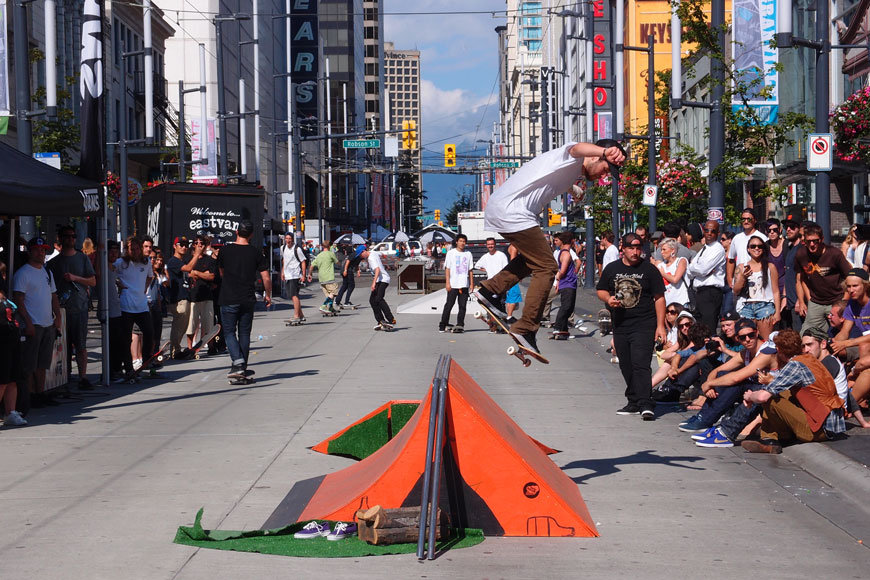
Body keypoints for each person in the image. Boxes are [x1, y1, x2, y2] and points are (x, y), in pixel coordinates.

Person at [475, 139, 626, 353]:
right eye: (605, 167)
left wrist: (573, 188)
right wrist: (605, 150)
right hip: (513, 213)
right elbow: (576, 149)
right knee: (547, 267)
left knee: (533, 259)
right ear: (595, 156)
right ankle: (525, 328)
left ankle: (490, 291)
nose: (602, 175)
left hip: (504, 209)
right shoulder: (574, 155)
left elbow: (549, 177)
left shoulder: (570, 171)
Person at [596, 232, 666, 420]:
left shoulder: (649, 270)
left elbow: (659, 298)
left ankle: (645, 402)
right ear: (623, 249)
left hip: (644, 322)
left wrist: (661, 326)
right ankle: (634, 401)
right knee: (625, 364)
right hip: (620, 323)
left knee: (640, 363)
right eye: (631, 248)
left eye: (638, 248)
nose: (635, 252)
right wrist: (608, 299)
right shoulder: (612, 268)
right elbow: (601, 290)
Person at [740, 329, 845, 454]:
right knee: (778, 391)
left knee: (770, 397)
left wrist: (750, 396)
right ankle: (775, 437)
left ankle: (769, 439)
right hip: (830, 425)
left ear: (778, 350)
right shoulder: (809, 360)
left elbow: (763, 397)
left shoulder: (795, 365)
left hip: (820, 429)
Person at [216, 220, 272, 379]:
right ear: (252, 235)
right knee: (245, 333)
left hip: (228, 297)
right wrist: (268, 295)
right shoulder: (255, 253)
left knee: (228, 332)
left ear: (236, 232)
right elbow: (266, 277)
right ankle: (242, 366)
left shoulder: (225, 251)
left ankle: (238, 363)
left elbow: (221, 272)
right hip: (247, 298)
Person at [13, 237, 63, 408]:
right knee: (29, 364)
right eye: (37, 250)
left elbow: (54, 296)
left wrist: (58, 317)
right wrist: (27, 323)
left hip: (47, 323)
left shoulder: (47, 272)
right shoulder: (23, 273)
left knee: (43, 363)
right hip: (33, 324)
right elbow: (18, 300)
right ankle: (28, 396)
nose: (41, 253)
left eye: (43, 250)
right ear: (30, 252)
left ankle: (40, 393)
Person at [47, 225, 96, 390]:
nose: (71, 239)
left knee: (81, 345)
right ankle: (64, 378)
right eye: (67, 236)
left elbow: (92, 281)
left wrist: (75, 278)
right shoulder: (53, 263)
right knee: (63, 347)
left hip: (79, 307)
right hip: (60, 310)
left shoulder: (82, 259)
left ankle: (83, 377)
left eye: (73, 236)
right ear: (60, 239)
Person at [794, 222, 851, 334]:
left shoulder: (835, 254)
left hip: (836, 300)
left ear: (822, 239)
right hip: (816, 302)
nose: (812, 244)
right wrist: (805, 300)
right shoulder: (801, 254)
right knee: (807, 335)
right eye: (808, 241)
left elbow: (849, 277)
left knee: (840, 334)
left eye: (815, 241)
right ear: (804, 241)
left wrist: (844, 301)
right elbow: (801, 279)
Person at [115, 236, 154, 380]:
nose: (136, 252)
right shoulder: (121, 263)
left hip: (141, 304)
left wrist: (145, 288)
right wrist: (118, 283)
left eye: (138, 249)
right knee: (126, 338)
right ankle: (128, 366)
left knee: (149, 332)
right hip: (126, 305)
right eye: (133, 249)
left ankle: (146, 359)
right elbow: (111, 273)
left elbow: (150, 276)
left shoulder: (146, 262)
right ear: (127, 249)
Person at [733, 233, 780, 340]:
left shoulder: (770, 267)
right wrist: (743, 277)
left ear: (763, 249)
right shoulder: (741, 267)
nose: (756, 248)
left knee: (766, 341)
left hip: (765, 306)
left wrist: (777, 312)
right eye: (753, 246)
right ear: (748, 249)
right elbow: (735, 290)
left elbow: (776, 291)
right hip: (746, 307)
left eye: (760, 246)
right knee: (748, 341)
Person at [686, 220, 726, 330]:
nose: (709, 233)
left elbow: (702, 269)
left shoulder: (717, 249)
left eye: (712, 231)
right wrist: (695, 269)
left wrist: (696, 268)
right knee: (699, 327)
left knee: (708, 328)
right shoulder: (705, 248)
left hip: (711, 292)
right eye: (706, 230)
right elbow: (690, 269)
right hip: (699, 292)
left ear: (718, 233)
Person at [185, 236, 218, 354]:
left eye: (202, 243)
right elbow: (188, 273)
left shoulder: (210, 260)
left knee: (208, 324)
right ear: (193, 245)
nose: (199, 245)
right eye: (196, 242)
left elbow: (211, 276)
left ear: (205, 245)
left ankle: (211, 346)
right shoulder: (188, 259)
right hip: (192, 296)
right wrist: (202, 274)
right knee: (191, 325)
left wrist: (196, 273)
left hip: (207, 296)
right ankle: (190, 348)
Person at [438, 234, 474, 332]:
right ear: (457, 242)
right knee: (449, 305)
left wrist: (471, 284)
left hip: (464, 284)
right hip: (453, 284)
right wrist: (447, 283)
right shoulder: (451, 253)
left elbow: (470, 270)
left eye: (464, 241)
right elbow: (447, 269)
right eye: (461, 241)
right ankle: (443, 324)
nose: (462, 243)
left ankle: (460, 324)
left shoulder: (468, 254)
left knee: (462, 306)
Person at [726, 208, 768, 290]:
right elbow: (730, 259)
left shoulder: (762, 238)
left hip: (757, 280)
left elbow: (767, 258)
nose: (746, 221)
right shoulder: (737, 238)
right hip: (739, 279)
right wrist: (730, 279)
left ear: (755, 220)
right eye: (743, 219)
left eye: (749, 219)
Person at [166, 237, 192, 358]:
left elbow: (186, 274)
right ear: (174, 246)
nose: (184, 247)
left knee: (182, 325)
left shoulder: (181, 261)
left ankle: (176, 349)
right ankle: (174, 350)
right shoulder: (173, 261)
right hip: (178, 299)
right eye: (181, 244)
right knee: (178, 325)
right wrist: (197, 254)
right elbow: (188, 268)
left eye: (186, 245)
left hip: (184, 296)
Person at [359, 245, 394, 330]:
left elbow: (377, 270)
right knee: (372, 300)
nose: (361, 257)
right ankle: (381, 321)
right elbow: (381, 254)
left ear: (364, 251)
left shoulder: (371, 258)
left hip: (383, 279)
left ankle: (391, 319)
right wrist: (385, 261)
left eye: (361, 255)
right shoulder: (373, 252)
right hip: (380, 280)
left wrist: (373, 283)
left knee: (378, 299)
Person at [652, 238, 689, 308]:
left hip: (680, 303)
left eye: (664, 249)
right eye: (661, 250)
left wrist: (662, 273)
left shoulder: (681, 261)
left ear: (673, 250)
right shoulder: (661, 265)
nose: (661, 252)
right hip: (666, 304)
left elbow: (675, 279)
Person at [781, 218, 803, 330]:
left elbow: (804, 277)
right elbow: (788, 274)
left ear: (799, 229)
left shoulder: (802, 249)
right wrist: (785, 296)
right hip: (790, 301)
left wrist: (800, 299)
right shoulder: (790, 248)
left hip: (798, 302)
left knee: (801, 335)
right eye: (786, 227)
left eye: (792, 227)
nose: (788, 229)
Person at [280, 233, 308, 322]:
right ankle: (301, 315)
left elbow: (303, 261)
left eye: (289, 238)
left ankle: (296, 316)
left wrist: (303, 275)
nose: (288, 240)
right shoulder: (283, 248)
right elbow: (284, 260)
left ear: (292, 239)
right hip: (287, 274)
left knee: (294, 295)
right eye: (286, 238)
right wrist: (282, 272)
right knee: (293, 295)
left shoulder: (297, 249)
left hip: (295, 274)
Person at [309, 239, 340, 313]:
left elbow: (312, 266)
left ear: (322, 246)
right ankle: (324, 306)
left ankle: (330, 308)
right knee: (334, 292)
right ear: (329, 246)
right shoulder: (330, 254)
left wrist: (309, 274)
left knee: (329, 295)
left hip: (321, 279)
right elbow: (338, 263)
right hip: (329, 277)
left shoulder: (319, 256)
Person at [336, 244, 363, 309]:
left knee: (345, 286)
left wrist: (358, 271)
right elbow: (348, 261)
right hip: (347, 270)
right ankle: (347, 302)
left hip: (347, 270)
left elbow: (356, 264)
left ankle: (337, 301)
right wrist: (345, 270)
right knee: (351, 285)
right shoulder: (354, 254)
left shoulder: (359, 256)